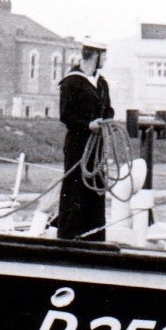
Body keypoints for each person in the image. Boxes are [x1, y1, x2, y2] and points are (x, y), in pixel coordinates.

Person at [56, 38, 114, 240]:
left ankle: (94, 237)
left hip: (97, 148)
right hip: (78, 145)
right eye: (103, 55)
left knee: (95, 188)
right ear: (95, 55)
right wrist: (88, 125)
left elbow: (108, 109)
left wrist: (106, 121)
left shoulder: (102, 83)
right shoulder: (72, 82)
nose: (105, 60)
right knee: (75, 189)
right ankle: (70, 235)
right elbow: (66, 115)